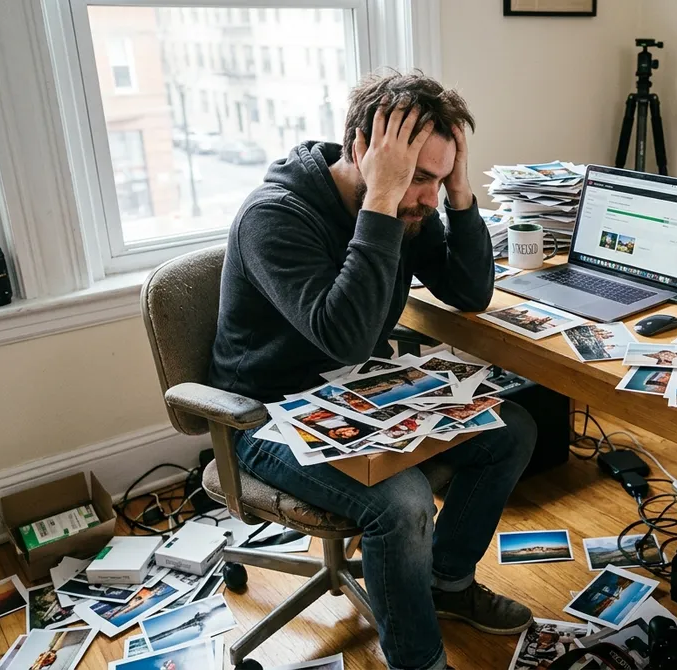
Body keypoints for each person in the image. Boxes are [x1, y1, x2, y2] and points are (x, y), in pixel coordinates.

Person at [209, 71, 537, 670]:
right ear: (363, 151)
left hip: (357, 392)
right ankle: (418, 661)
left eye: (437, 177)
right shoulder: (275, 217)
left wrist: (458, 195)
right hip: (263, 415)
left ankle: (448, 583)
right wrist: (384, 202)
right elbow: (346, 337)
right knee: (401, 500)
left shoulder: (412, 209)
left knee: (512, 430)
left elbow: (469, 292)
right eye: (417, 177)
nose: (426, 198)